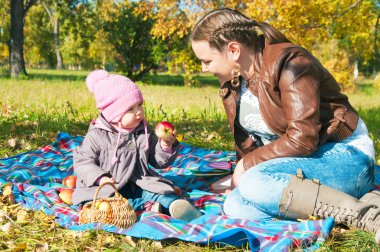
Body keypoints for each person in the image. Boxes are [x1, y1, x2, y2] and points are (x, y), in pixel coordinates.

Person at [190, 8, 380, 241]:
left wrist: (246, 168)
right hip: (305, 162)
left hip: (346, 157)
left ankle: (366, 215)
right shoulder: (234, 81)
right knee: (235, 205)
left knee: (253, 184)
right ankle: (358, 199)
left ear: (233, 50)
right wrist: (241, 174)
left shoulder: (291, 62)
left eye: (207, 61)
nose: (203, 68)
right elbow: (250, 145)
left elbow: (303, 139)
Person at [71, 70, 201, 222]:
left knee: (158, 191)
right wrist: (100, 178)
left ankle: (175, 205)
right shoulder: (97, 136)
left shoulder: (143, 132)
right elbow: (82, 161)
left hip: (138, 182)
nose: (139, 112)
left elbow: (158, 161)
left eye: (140, 105)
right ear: (114, 113)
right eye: (130, 109)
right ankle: (148, 207)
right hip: (108, 188)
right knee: (102, 204)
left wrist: (165, 145)